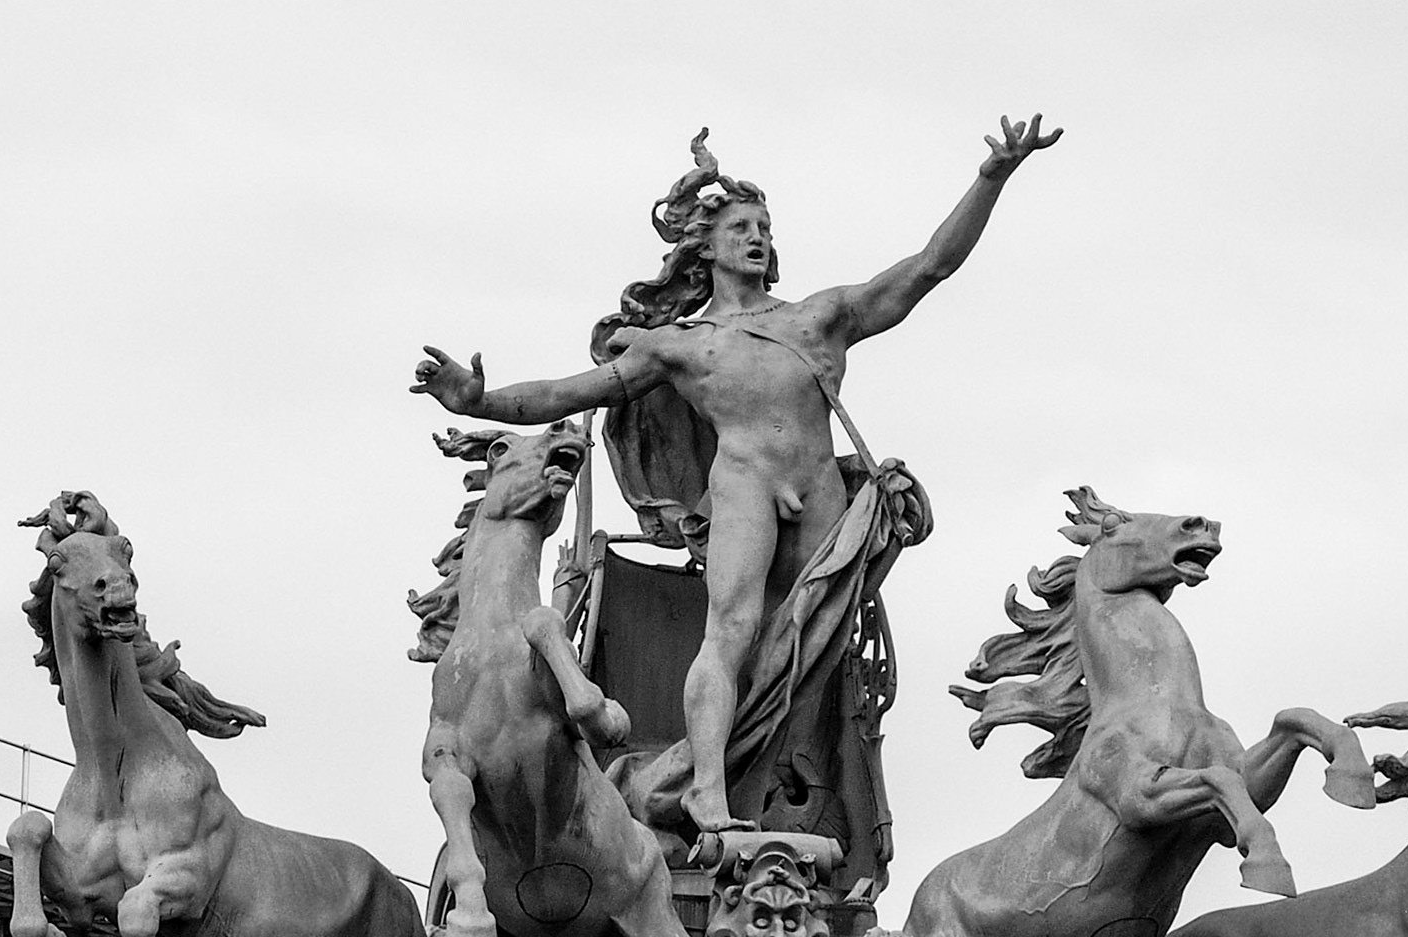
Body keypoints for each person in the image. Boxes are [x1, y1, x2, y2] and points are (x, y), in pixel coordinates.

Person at [413, 117, 1061, 836]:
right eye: (741, 228)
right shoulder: (683, 346)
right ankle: (707, 793)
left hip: (822, 493)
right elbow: (571, 394)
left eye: (764, 226)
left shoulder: (819, 318)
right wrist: (481, 401)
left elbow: (928, 268)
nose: (757, 237)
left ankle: (792, 788)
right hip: (745, 486)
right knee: (732, 632)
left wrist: (991, 178)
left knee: (811, 650)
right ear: (706, 247)